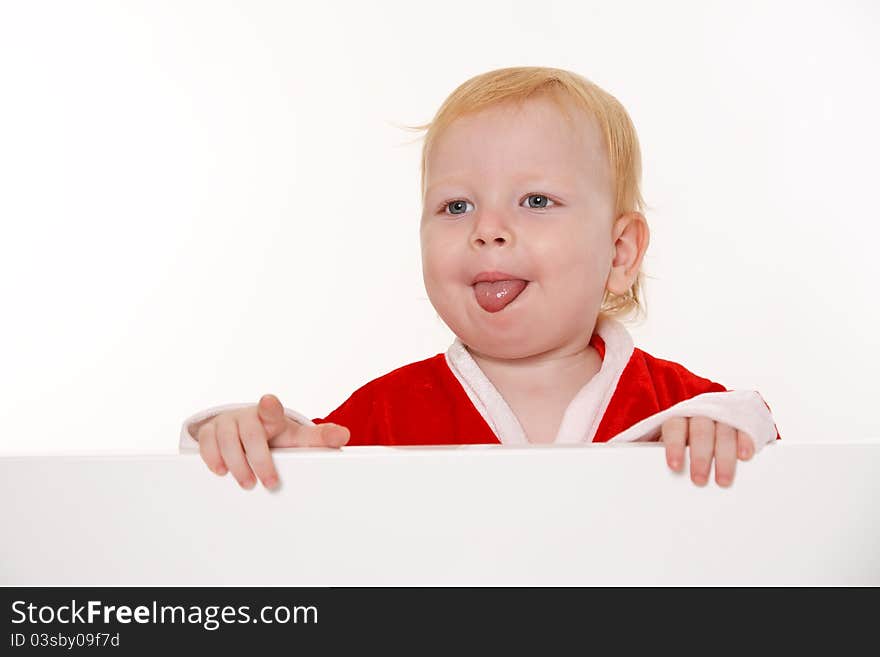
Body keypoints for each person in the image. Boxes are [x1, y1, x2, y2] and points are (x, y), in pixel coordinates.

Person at [180, 66, 781, 492]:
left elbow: (772, 453)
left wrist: (728, 434)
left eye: (537, 200)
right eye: (457, 207)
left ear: (619, 251)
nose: (488, 231)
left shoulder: (686, 411)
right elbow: (291, 490)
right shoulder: (381, 417)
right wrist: (248, 439)